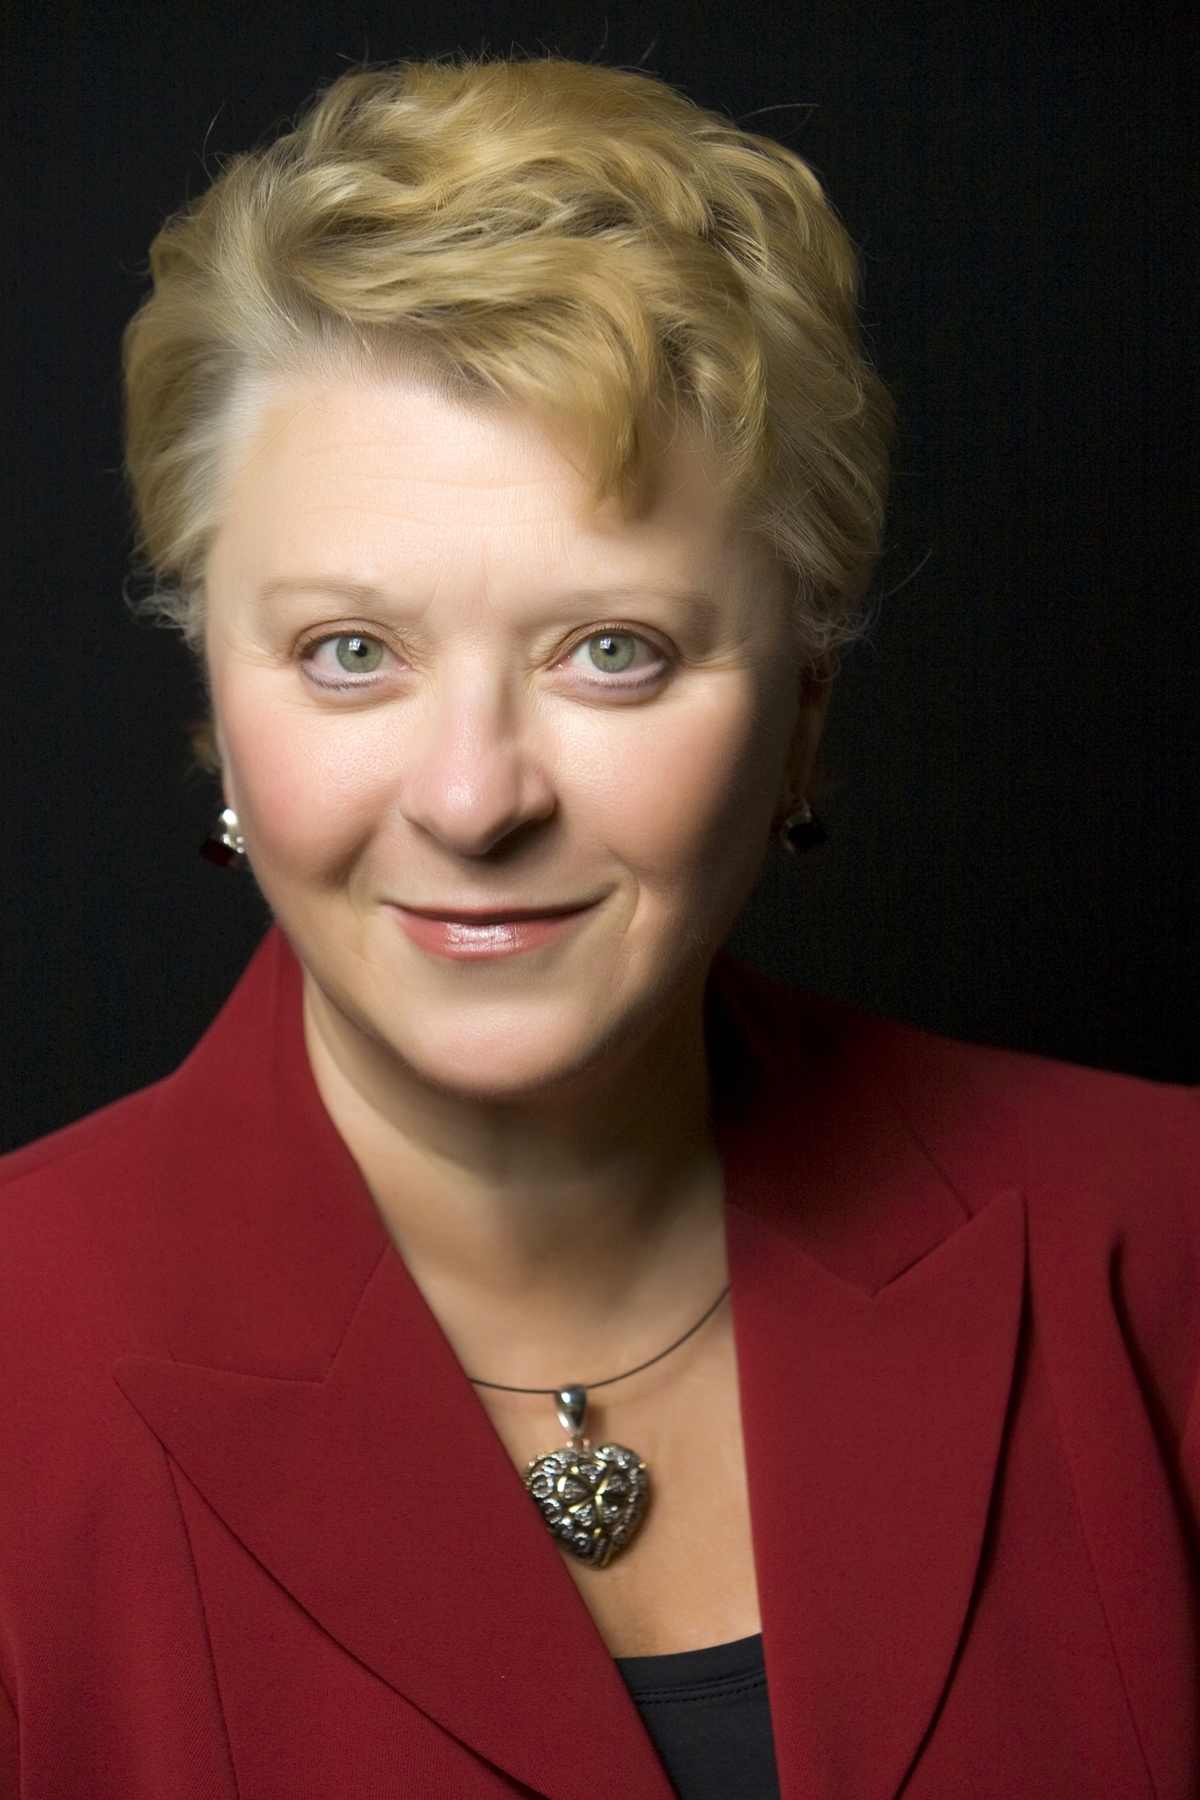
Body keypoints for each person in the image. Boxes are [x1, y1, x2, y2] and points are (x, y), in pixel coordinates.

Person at [0, 55, 1196, 1800]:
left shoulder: (1165, 1245)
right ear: (217, 698)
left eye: (612, 650)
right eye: (351, 651)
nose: (475, 800)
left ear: (804, 698)